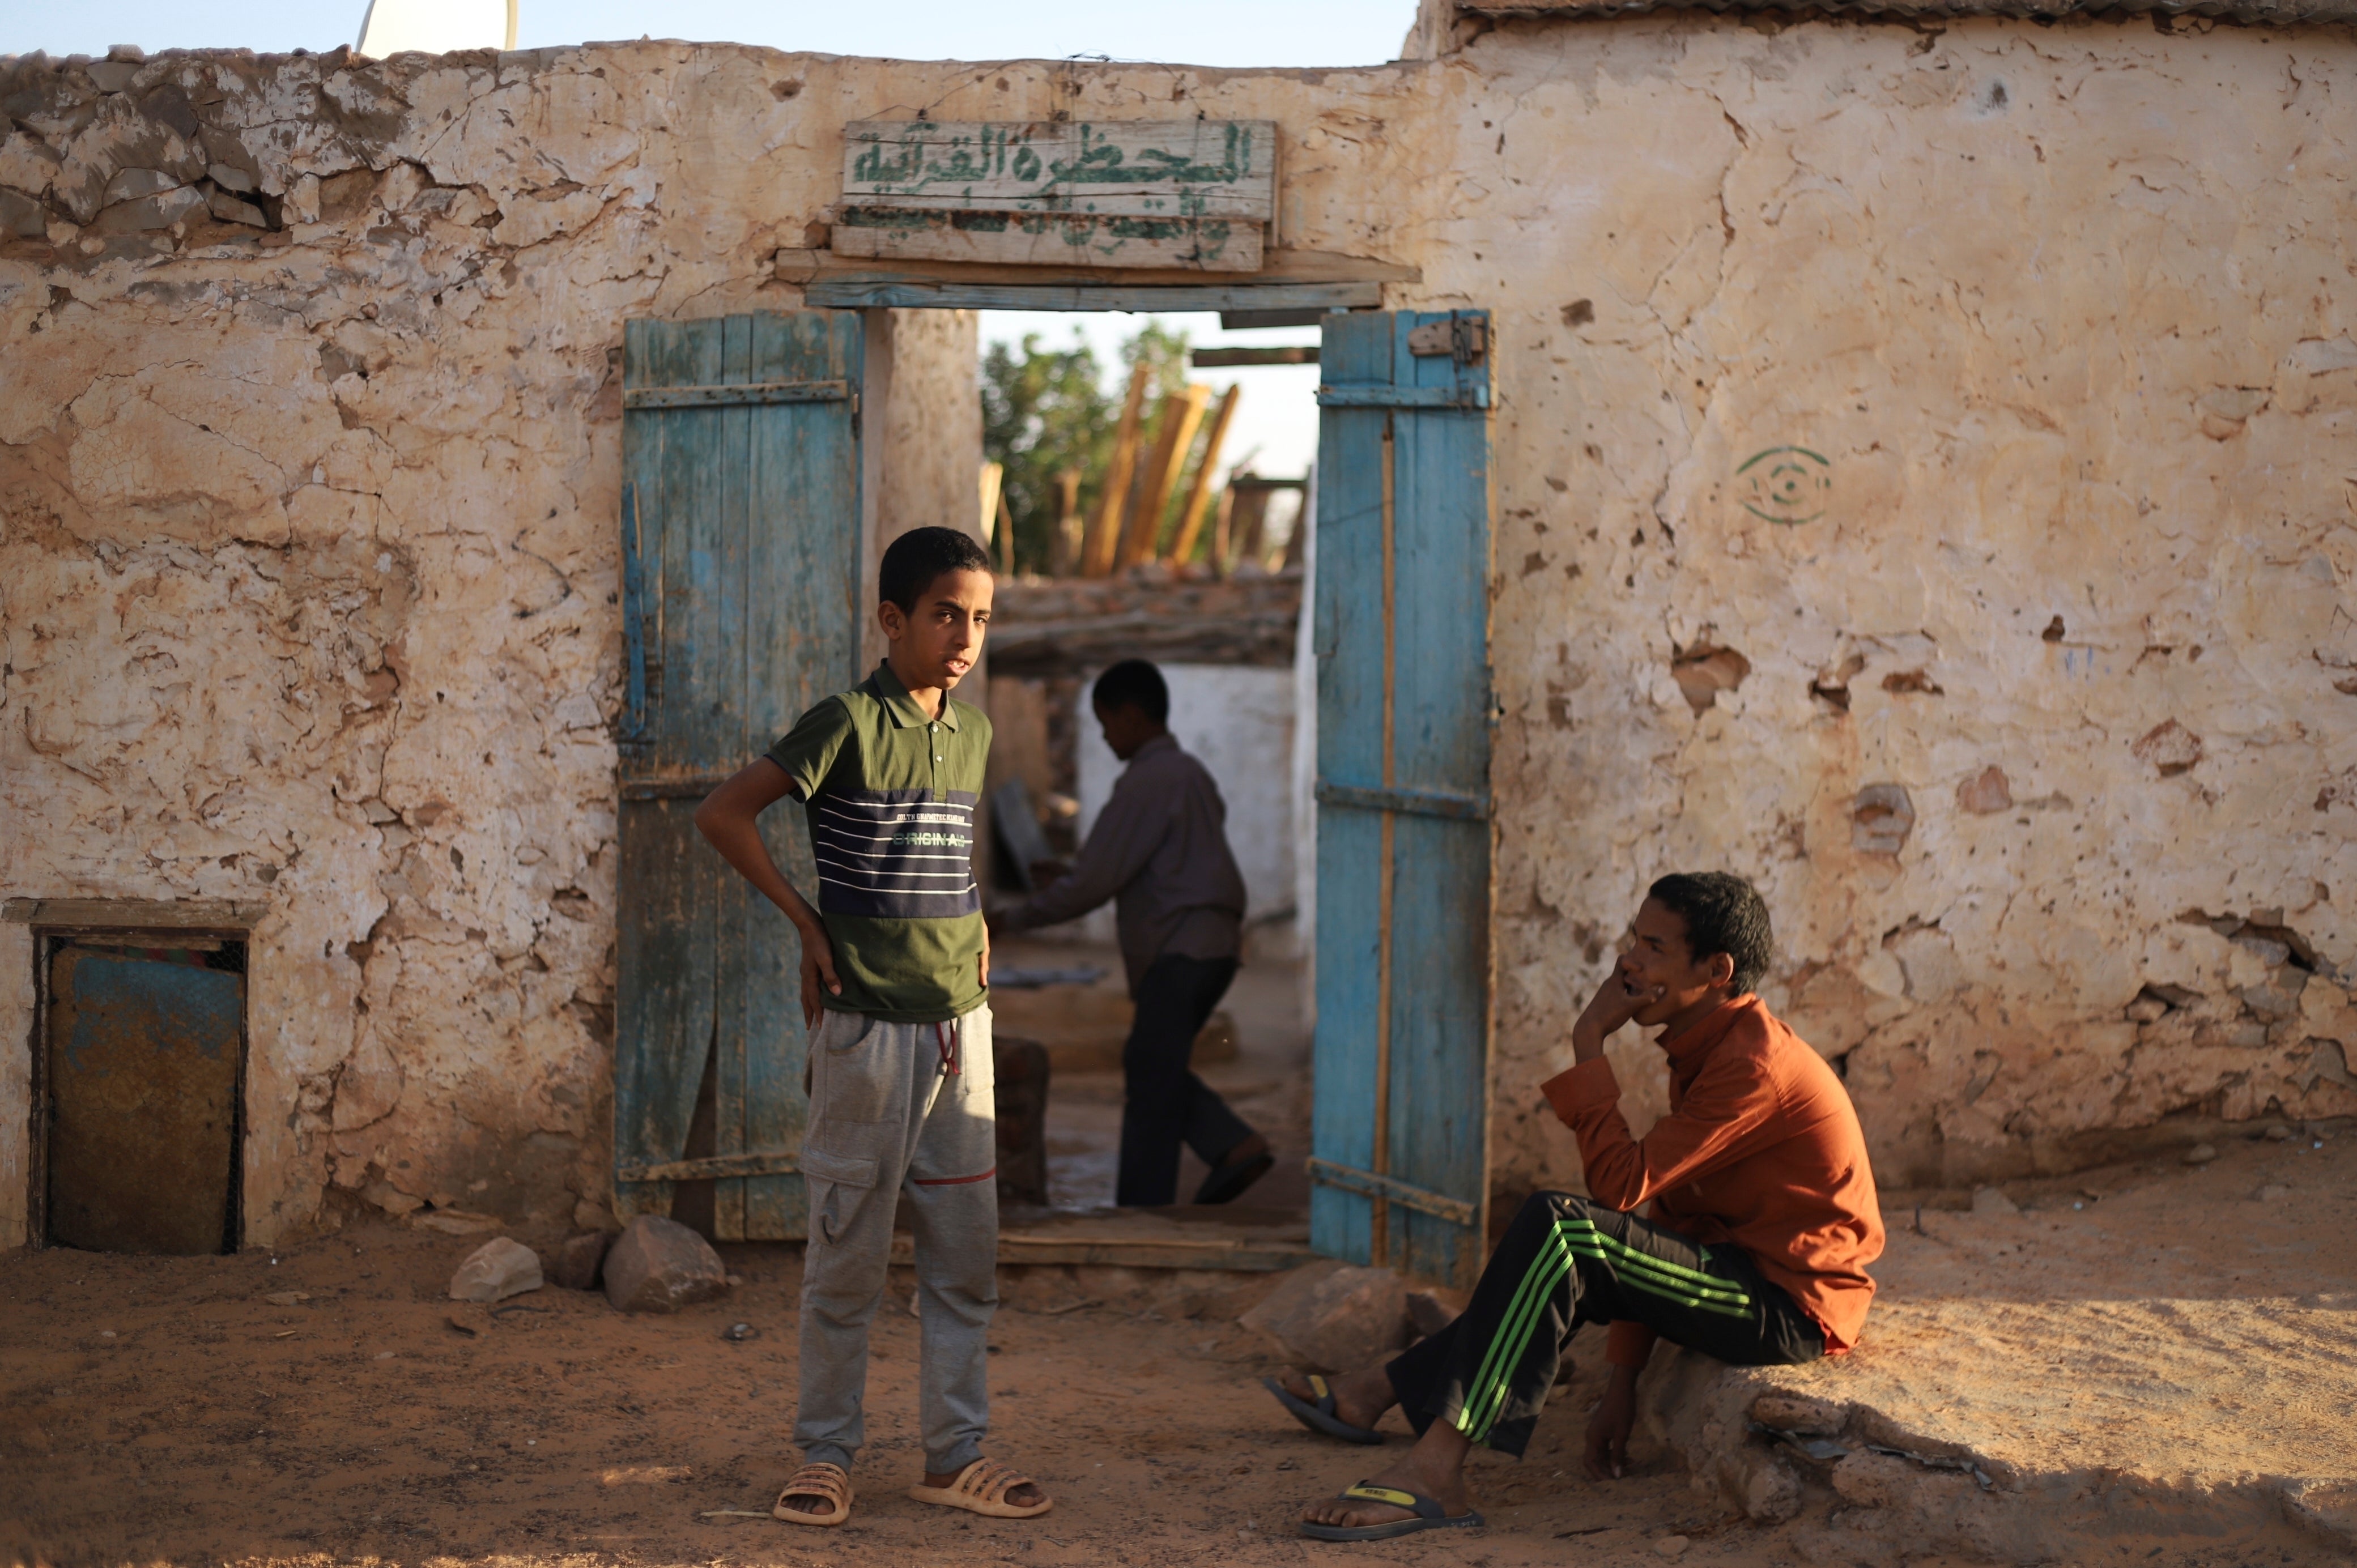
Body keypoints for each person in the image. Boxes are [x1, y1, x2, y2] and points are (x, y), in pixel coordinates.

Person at [1261, 872, 1884, 1542]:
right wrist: (1623, 1381)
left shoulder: (1751, 1065)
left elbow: (1621, 1188)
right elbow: (1669, 1215)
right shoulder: (1706, 1047)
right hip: (1733, 1269)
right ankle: (1376, 1389)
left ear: (1716, 969)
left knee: (1561, 1228)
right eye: (1631, 939)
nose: (1628, 960)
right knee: (1556, 1243)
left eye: (1652, 946)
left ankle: (1433, 1472)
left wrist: (1588, 1040)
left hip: (1786, 1305)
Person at [694, 526, 1050, 1529]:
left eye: (980, 617)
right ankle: (825, 1451)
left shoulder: (973, 735)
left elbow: (947, 846)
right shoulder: (845, 721)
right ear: (893, 619)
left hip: (960, 1034)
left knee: (963, 1259)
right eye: (945, 613)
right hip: (867, 1033)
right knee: (846, 1258)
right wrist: (806, 922)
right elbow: (725, 813)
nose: (964, 636)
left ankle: (956, 1453)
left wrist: (974, 917)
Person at [991, 658, 1273, 1208]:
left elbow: (1095, 885)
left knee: (1150, 1070)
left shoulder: (1146, 780)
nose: (1104, 736)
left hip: (1180, 946)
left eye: (1105, 723)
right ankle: (1215, 1156)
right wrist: (1073, 874)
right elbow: (1147, 866)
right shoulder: (1189, 773)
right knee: (1155, 1068)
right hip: (1211, 945)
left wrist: (1008, 919)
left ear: (1132, 715)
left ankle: (1202, 1166)